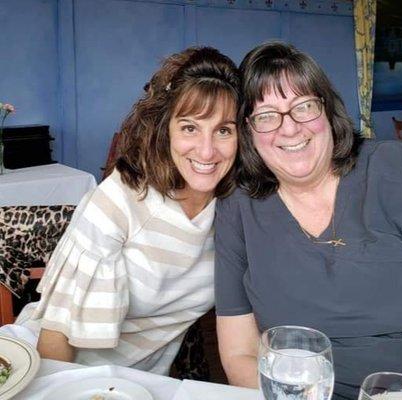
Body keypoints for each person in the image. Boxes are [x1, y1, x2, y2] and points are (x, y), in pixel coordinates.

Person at [214, 42, 402, 400]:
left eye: (304, 107)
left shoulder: (401, 170)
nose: (289, 129)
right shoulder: (238, 206)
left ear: (327, 109)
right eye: (266, 116)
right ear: (248, 131)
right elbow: (239, 352)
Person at [12, 46, 240, 375]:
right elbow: (54, 336)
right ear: (166, 130)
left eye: (223, 130)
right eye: (190, 127)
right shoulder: (122, 199)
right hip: (43, 370)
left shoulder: (236, 209)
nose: (207, 150)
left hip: (134, 385)